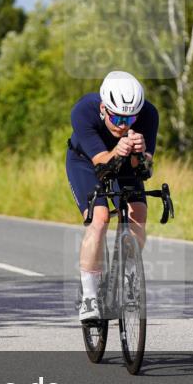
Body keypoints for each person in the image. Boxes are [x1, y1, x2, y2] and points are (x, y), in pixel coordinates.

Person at [66, 71, 159, 322]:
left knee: (137, 213)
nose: (123, 125)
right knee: (101, 216)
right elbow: (101, 165)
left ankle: (128, 270)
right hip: (86, 162)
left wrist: (140, 156)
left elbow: (146, 170)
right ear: (103, 108)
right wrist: (118, 151)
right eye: (117, 117)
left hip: (125, 162)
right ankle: (89, 296)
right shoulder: (83, 111)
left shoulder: (148, 115)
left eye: (130, 119)